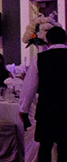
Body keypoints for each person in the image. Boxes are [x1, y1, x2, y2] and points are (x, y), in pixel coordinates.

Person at [20, 26, 67, 162]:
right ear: (65, 39)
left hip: (47, 107)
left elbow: (29, 87)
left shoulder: (40, 59)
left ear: (47, 40)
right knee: (64, 145)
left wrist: (24, 109)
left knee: (45, 145)